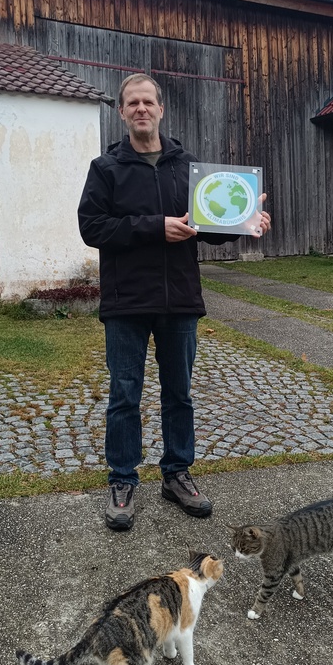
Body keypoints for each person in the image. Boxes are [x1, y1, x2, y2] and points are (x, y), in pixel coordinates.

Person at [78, 73, 271, 531]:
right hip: (127, 302)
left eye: (149, 102)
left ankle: (176, 474)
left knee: (178, 394)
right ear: (122, 112)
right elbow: (92, 228)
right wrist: (153, 227)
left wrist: (248, 220)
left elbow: (211, 226)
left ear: (161, 110)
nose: (141, 109)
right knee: (124, 396)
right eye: (132, 103)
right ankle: (123, 480)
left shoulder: (191, 171)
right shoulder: (105, 170)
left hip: (180, 299)